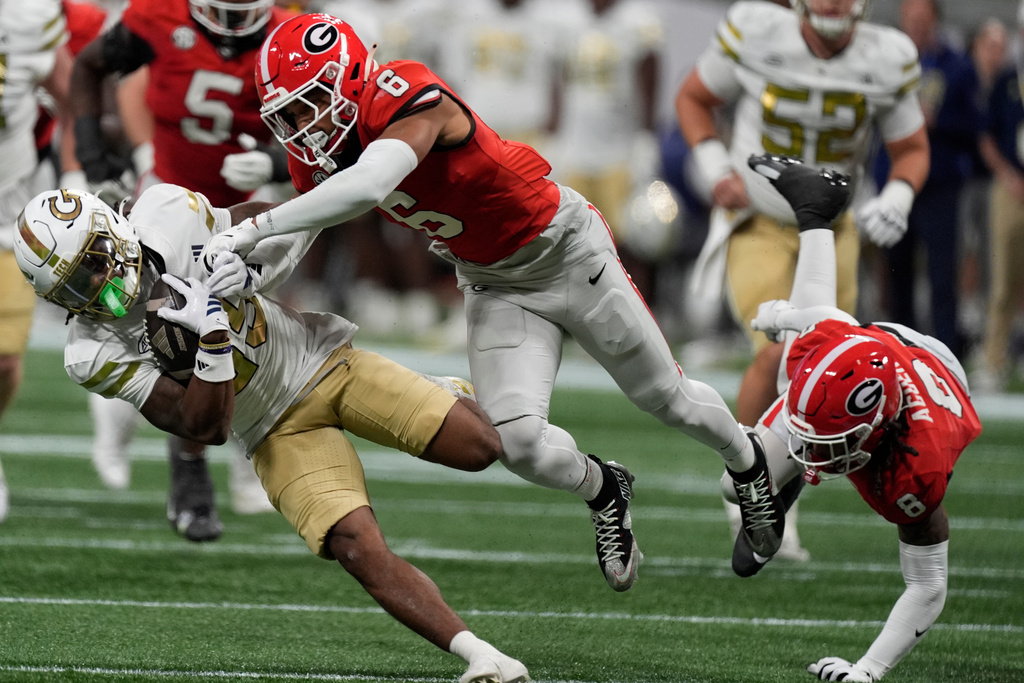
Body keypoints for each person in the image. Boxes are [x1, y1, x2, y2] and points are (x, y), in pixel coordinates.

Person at [200, 12, 788, 592]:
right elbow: (301, 231)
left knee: (665, 398)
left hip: (564, 250)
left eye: (308, 105)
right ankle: (605, 489)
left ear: (349, 78)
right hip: (492, 279)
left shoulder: (404, 92)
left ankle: (748, 462)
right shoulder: (320, 150)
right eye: (289, 115)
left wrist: (253, 229)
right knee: (519, 444)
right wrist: (251, 271)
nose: (301, 126)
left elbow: (370, 183)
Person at [12, 184, 529, 683]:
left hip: (322, 360)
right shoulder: (92, 353)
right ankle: (482, 656)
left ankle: (445, 391)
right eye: (75, 288)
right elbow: (204, 426)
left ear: (112, 231)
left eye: (95, 262)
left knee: (480, 448)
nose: (98, 286)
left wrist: (250, 265)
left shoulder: (167, 213)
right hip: (272, 430)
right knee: (352, 544)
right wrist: (212, 339)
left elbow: (284, 217)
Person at [674, 0, 930, 562]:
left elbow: (911, 148)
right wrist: (715, 166)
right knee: (777, 353)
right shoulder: (758, 30)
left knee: (821, 370)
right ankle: (748, 487)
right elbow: (693, 98)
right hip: (759, 220)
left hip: (834, 229)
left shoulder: (887, 55)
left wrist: (898, 194)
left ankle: (781, 498)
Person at [727, 153, 981, 682]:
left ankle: (814, 208)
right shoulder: (833, 355)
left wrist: (867, 670)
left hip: (935, 372)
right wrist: (784, 317)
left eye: (826, 444)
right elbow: (827, 319)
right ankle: (814, 207)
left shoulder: (917, 471)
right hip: (874, 349)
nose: (811, 452)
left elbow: (928, 586)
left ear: (876, 431)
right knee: (734, 484)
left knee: (750, 474)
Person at [68, 0, 300, 536]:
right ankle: (183, 460)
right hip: (168, 208)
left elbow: (328, 129)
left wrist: (275, 160)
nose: (233, 22)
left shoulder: (289, 34)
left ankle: (238, 461)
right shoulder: (159, 16)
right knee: (169, 331)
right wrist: (92, 159)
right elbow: (89, 66)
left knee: (257, 326)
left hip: (250, 205)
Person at [876, 0, 982, 359]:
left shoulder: (956, 65)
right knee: (897, 274)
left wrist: (938, 121)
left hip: (939, 186)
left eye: (923, 19)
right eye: (911, 19)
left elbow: (974, 127)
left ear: (935, 20)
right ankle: (898, 357)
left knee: (942, 276)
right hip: (894, 183)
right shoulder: (885, 63)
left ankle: (947, 360)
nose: (917, 25)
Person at [0, 0, 72, 523]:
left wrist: (76, 173)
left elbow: (74, 98)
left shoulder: (25, 13)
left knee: (4, 360)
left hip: (6, 214)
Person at [971, 9, 1023, 394]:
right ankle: (994, 358)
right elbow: (986, 136)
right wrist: (1008, 176)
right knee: (1002, 279)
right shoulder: (1008, 79)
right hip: (1009, 186)